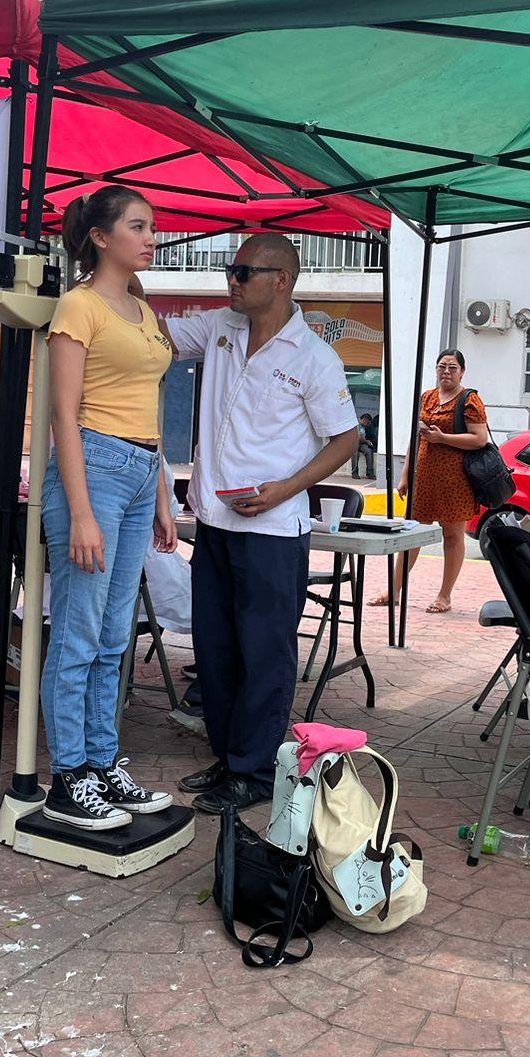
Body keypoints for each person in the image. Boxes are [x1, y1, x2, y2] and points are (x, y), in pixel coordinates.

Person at [155, 233, 360, 814]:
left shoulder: (314, 357)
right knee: (216, 651)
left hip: (273, 533)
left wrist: (286, 489)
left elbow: (347, 437)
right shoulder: (221, 327)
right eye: (231, 269)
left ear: (283, 280)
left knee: (265, 656)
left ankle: (257, 773)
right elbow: (154, 330)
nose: (233, 280)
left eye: (245, 271)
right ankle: (229, 758)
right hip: (215, 522)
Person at [37, 187, 178, 832]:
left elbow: (149, 413)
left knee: (114, 635)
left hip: (138, 469)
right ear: (100, 236)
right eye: (138, 226)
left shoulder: (144, 312)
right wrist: (81, 509)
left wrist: (161, 495)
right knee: (78, 629)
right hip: (90, 467)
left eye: (152, 227)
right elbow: (62, 414)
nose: (151, 237)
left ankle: (100, 763)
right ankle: (68, 776)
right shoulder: (79, 305)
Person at [374, 349, 489, 615]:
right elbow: (418, 437)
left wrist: (443, 439)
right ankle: (394, 591)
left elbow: (479, 439)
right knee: (411, 534)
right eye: (442, 366)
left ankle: (444, 595)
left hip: (456, 481)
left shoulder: (469, 400)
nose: (446, 372)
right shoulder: (427, 397)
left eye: (452, 367)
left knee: (452, 536)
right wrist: (405, 475)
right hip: (424, 479)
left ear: (462, 371)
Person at [353, 412, 378, 480]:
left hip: (361, 443)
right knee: (356, 453)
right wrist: (367, 441)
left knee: (369, 451)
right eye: (367, 423)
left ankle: (370, 473)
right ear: (364, 420)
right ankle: (354, 473)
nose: (368, 425)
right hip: (353, 443)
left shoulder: (363, 426)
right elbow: (358, 437)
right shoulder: (356, 424)